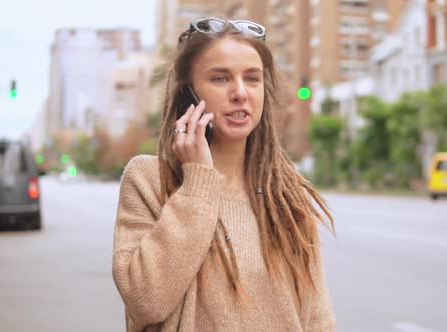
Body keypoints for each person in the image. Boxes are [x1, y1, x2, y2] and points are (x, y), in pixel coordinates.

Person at [112, 17, 336, 332]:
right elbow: (146, 301)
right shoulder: (148, 179)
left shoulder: (286, 195)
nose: (240, 93)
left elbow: (317, 319)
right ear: (189, 93)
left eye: (252, 78)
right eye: (220, 78)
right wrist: (199, 181)